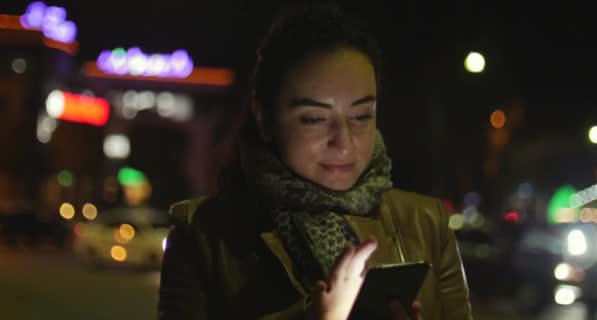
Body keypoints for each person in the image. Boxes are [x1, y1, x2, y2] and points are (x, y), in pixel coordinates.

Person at [157, 3, 473, 319]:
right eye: (314, 119)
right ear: (264, 115)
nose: (344, 141)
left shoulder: (425, 224)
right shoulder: (202, 234)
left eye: (361, 116)